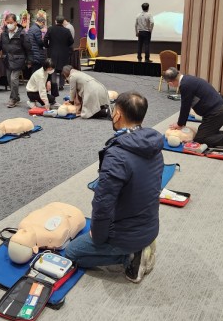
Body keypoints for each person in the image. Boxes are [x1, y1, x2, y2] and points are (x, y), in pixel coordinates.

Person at [65, 91, 163, 283]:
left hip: (127, 235)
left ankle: (130, 257)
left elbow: (102, 205)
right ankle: (141, 246)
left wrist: (98, 235)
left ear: (117, 114)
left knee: (72, 254)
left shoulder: (117, 155)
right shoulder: (153, 145)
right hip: (150, 227)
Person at [164, 68, 223, 152]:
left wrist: (180, 124)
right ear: (178, 72)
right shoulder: (188, 79)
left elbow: (185, 107)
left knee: (200, 138)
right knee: (205, 133)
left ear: (170, 83)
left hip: (216, 113)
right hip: (220, 111)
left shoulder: (184, 85)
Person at [0, 13, 32, 108]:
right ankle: (16, 97)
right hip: (7, 59)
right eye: (7, 23)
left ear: (15, 22)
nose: (9, 24)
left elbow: (28, 48)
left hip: (18, 59)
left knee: (13, 79)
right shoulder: (4, 33)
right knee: (9, 80)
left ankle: (13, 99)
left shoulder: (22, 33)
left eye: (11, 22)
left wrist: (29, 61)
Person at [44, 16, 74, 91]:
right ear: (63, 21)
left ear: (55, 21)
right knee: (62, 68)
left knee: (52, 68)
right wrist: (66, 45)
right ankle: (61, 85)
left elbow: (45, 38)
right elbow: (71, 41)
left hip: (52, 51)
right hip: (64, 52)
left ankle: (54, 84)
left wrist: (47, 46)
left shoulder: (51, 29)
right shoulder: (67, 31)